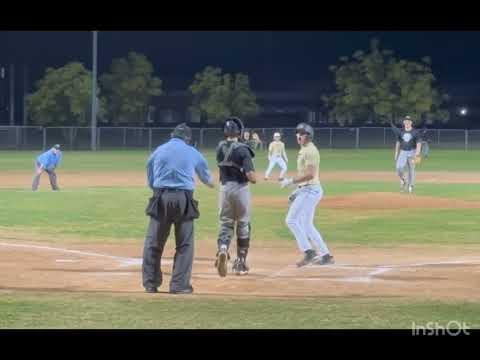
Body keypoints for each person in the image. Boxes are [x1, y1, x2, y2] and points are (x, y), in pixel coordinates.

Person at [142, 123, 214, 294]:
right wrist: (211, 183)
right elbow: (207, 178)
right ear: (187, 139)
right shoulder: (192, 152)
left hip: (161, 196)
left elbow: (149, 171)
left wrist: (156, 188)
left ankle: (150, 283)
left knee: (153, 242)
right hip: (183, 198)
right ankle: (179, 285)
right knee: (185, 244)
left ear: (172, 135)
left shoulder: (159, 150)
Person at [280, 123, 334, 267]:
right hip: (308, 189)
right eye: (298, 133)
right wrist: (296, 191)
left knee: (291, 220)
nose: (298, 136)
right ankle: (326, 255)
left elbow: (310, 175)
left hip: (310, 190)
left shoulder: (310, 151)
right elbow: (306, 176)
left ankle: (309, 252)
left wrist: (290, 181)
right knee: (307, 225)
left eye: (302, 134)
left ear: (308, 136)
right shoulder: (305, 149)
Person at [215, 116, 257, 277]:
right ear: (239, 132)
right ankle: (240, 263)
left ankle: (223, 249)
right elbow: (251, 177)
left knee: (226, 223)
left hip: (224, 189)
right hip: (240, 189)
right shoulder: (243, 149)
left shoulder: (219, 147)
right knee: (243, 225)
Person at [391, 115, 423, 194]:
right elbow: (398, 142)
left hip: (413, 151)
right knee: (399, 168)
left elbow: (419, 143)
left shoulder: (415, 132)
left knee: (411, 170)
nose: (407, 122)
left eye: (409, 121)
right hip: (403, 152)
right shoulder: (400, 131)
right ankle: (403, 179)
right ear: (404, 122)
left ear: (411, 123)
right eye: (405, 121)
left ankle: (410, 186)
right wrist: (396, 153)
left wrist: (417, 154)